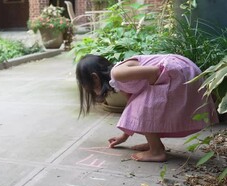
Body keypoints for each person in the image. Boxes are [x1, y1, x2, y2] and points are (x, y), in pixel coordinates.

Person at [76, 54, 218, 162]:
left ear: (94, 78)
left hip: (179, 72)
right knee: (139, 106)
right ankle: (154, 144)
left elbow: (154, 72)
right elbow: (131, 108)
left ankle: (156, 151)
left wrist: (154, 97)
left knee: (145, 106)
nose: (90, 92)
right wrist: (124, 136)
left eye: (87, 87)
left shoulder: (117, 73)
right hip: (176, 73)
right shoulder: (117, 81)